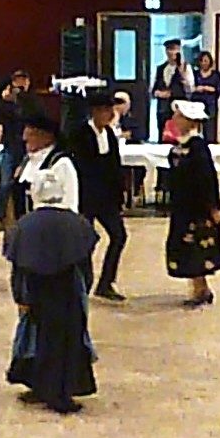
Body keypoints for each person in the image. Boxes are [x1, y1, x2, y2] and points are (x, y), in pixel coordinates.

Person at [4, 172, 98, 413]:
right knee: (67, 341)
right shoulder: (77, 224)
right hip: (68, 291)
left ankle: (39, 385)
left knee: (37, 339)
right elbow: (85, 266)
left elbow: (18, 269)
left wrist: (20, 297)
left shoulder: (23, 226)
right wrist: (85, 290)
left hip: (36, 291)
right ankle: (62, 392)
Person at [67, 92, 129, 301]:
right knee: (86, 241)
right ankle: (82, 283)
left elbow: (115, 166)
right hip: (86, 198)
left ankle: (106, 282)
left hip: (107, 199)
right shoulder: (80, 134)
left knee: (119, 236)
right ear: (94, 112)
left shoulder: (110, 134)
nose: (109, 114)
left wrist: (120, 195)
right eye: (105, 110)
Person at [164, 101, 220, 307]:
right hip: (183, 206)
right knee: (186, 245)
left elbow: (208, 179)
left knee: (196, 246)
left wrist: (213, 206)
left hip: (197, 208)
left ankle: (200, 289)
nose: (175, 120)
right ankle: (199, 287)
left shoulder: (198, 147)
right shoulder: (180, 146)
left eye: (179, 117)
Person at [0, 72, 44, 230]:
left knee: (26, 183)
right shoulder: (6, 103)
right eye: (17, 80)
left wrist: (24, 99)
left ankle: (26, 216)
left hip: (28, 150)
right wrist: (4, 101)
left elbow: (38, 117)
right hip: (10, 148)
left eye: (23, 80)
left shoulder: (33, 101)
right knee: (5, 183)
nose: (20, 84)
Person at [16, 108, 79, 225]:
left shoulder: (61, 163)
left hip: (51, 227)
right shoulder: (27, 162)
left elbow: (71, 202)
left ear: (46, 137)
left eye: (31, 135)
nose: (25, 139)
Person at [151, 39, 190, 129]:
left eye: (175, 49)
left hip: (178, 108)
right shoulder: (160, 68)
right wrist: (158, 93)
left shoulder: (185, 68)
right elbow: (153, 89)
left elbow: (190, 88)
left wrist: (182, 72)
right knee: (163, 131)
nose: (172, 52)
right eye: (169, 49)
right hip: (163, 109)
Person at [189, 50, 220, 142]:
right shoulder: (195, 74)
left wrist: (210, 89)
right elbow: (189, 87)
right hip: (196, 104)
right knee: (194, 129)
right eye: (201, 61)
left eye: (206, 61)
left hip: (210, 104)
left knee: (210, 129)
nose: (203, 63)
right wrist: (197, 88)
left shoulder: (216, 75)